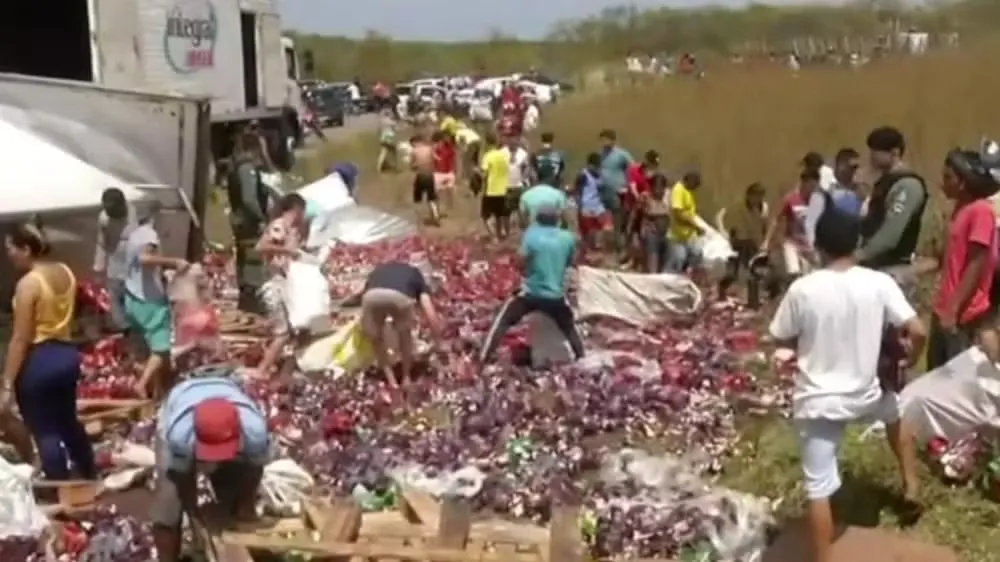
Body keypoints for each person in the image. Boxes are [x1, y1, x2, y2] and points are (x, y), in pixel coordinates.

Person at [768, 204, 923, 562]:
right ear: (857, 243)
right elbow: (917, 329)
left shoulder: (804, 289)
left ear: (817, 245)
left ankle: (824, 558)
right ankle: (912, 486)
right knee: (895, 414)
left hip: (819, 401)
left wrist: (801, 346)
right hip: (865, 393)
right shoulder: (879, 282)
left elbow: (780, 337)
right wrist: (910, 357)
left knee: (818, 488)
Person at [2, 222, 95, 477]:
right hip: (66, 355)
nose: (8, 255)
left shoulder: (28, 285)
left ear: (26, 249)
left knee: (44, 429)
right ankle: (88, 472)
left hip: (40, 359)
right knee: (68, 421)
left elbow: (20, 338)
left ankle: (58, 485)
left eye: (11, 248)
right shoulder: (65, 271)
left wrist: (7, 382)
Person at [151, 372, 269, 562]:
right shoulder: (180, 435)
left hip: (225, 393)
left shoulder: (254, 432)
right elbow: (183, 480)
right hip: (181, 401)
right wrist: (195, 517)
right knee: (169, 506)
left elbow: (254, 470)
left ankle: (230, 540)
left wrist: (246, 506)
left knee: (232, 489)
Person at [479, 207, 584, 364]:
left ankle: (483, 358)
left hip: (531, 294)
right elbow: (571, 262)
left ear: (538, 220)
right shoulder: (567, 238)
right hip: (555, 296)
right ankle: (581, 356)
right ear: (558, 220)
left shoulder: (532, 235)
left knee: (503, 320)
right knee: (569, 327)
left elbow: (520, 261)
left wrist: (526, 269)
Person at [926, 147, 1000, 369]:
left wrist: (953, 309)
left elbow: (976, 264)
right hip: (945, 306)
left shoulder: (981, 212)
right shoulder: (960, 210)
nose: (942, 183)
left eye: (948, 177)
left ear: (963, 181)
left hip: (964, 312)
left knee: (957, 377)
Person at [124, 204, 189, 399]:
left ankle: (156, 390)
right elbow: (145, 258)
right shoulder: (148, 234)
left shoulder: (134, 235)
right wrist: (174, 262)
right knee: (161, 348)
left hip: (132, 297)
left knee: (146, 350)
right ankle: (142, 384)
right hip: (149, 301)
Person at [856, 127, 929, 288]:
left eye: (876, 152)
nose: (871, 158)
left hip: (893, 269)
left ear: (894, 153)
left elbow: (891, 233)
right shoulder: (886, 182)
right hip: (874, 267)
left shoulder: (907, 186)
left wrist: (858, 256)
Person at [359, 262, 442, 387]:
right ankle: (406, 378)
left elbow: (362, 294)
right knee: (404, 334)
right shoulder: (416, 274)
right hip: (399, 297)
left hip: (370, 296)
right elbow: (430, 312)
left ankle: (392, 382)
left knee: (376, 339)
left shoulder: (378, 270)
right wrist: (438, 342)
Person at [254, 194, 308, 378]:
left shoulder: (292, 230)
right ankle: (262, 370)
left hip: (286, 285)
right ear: (297, 210)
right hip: (274, 283)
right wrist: (287, 251)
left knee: (298, 331)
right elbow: (261, 247)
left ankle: (287, 371)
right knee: (283, 333)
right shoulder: (279, 225)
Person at [228, 134, 271, 315]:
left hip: (240, 220)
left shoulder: (237, 166)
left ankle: (247, 299)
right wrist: (261, 218)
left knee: (245, 258)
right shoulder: (247, 169)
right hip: (248, 221)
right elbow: (249, 198)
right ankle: (252, 299)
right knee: (252, 260)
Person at [717, 183, 777, 299]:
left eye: (760, 196)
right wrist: (733, 242)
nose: (757, 199)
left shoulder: (764, 208)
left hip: (756, 244)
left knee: (760, 273)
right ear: (748, 196)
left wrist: (766, 242)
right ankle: (722, 292)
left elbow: (766, 225)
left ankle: (756, 300)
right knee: (732, 274)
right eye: (755, 196)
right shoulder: (738, 208)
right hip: (740, 244)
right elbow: (729, 225)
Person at [763, 169, 820, 281]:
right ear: (803, 183)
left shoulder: (818, 201)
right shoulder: (791, 199)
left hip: (810, 246)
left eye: (815, 186)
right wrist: (766, 241)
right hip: (792, 243)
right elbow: (776, 219)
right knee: (794, 272)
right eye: (810, 186)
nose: (812, 190)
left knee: (813, 276)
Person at [93, 187, 136, 332]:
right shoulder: (104, 218)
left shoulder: (136, 210)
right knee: (116, 304)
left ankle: (137, 330)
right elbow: (101, 243)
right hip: (115, 265)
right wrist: (98, 267)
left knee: (135, 304)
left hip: (135, 267)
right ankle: (124, 331)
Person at [804, 148, 864, 244]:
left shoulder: (859, 191)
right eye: (852, 167)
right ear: (840, 165)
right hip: (827, 246)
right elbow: (811, 223)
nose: (854, 171)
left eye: (856, 167)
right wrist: (814, 248)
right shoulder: (824, 190)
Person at [598, 129, 634, 255]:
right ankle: (606, 246)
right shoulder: (600, 154)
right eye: (602, 139)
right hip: (603, 191)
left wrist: (627, 186)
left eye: (607, 139)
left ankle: (619, 247)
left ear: (613, 140)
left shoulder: (621, 154)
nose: (604, 142)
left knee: (618, 220)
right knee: (603, 221)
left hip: (618, 191)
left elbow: (633, 169)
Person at [665, 172, 705, 273]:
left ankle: (685, 274)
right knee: (678, 259)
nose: (696, 188)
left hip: (688, 235)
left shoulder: (687, 191)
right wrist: (696, 226)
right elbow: (679, 213)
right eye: (695, 184)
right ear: (689, 181)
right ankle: (666, 279)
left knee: (697, 254)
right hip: (677, 235)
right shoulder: (678, 190)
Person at [573, 153, 610, 251]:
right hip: (587, 209)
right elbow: (577, 192)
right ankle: (588, 252)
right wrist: (579, 209)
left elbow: (603, 191)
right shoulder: (583, 175)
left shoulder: (600, 175)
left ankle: (598, 251)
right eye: (595, 166)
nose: (597, 169)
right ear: (590, 165)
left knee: (604, 230)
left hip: (598, 208)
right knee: (589, 234)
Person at [480, 132, 512, 240]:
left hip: (491, 190)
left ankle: (493, 236)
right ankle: (500, 234)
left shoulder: (488, 156)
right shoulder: (503, 156)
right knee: (499, 215)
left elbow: (484, 174)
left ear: (487, 143)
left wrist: (476, 172)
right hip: (502, 189)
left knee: (485, 216)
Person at [641, 175, 671, 272]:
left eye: (661, 187)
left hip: (666, 232)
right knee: (652, 256)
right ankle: (652, 276)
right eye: (656, 187)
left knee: (664, 258)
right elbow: (635, 215)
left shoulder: (669, 197)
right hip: (651, 231)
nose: (658, 191)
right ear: (651, 187)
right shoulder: (646, 197)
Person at [409, 134, 441, 226]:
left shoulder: (414, 151)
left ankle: (418, 220)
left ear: (415, 143)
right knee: (431, 198)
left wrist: (416, 165)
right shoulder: (430, 149)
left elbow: (411, 166)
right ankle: (435, 215)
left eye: (412, 145)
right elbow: (437, 159)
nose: (412, 146)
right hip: (430, 176)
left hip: (421, 176)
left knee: (417, 199)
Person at [502, 136, 531, 218]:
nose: (513, 145)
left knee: (520, 208)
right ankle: (508, 228)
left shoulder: (523, 154)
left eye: (515, 143)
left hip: (518, 186)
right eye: (511, 143)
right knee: (506, 210)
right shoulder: (502, 152)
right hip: (505, 185)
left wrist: (523, 179)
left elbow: (527, 168)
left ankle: (520, 226)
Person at [432, 130, 458, 215]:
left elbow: (453, 159)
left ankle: (441, 209)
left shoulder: (451, 147)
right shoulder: (439, 146)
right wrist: (437, 158)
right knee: (437, 193)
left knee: (448, 192)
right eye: (446, 137)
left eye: (449, 137)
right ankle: (437, 210)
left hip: (447, 173)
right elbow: (432, 153)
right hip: (440, 173)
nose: (447, 139)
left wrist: (454, 171)